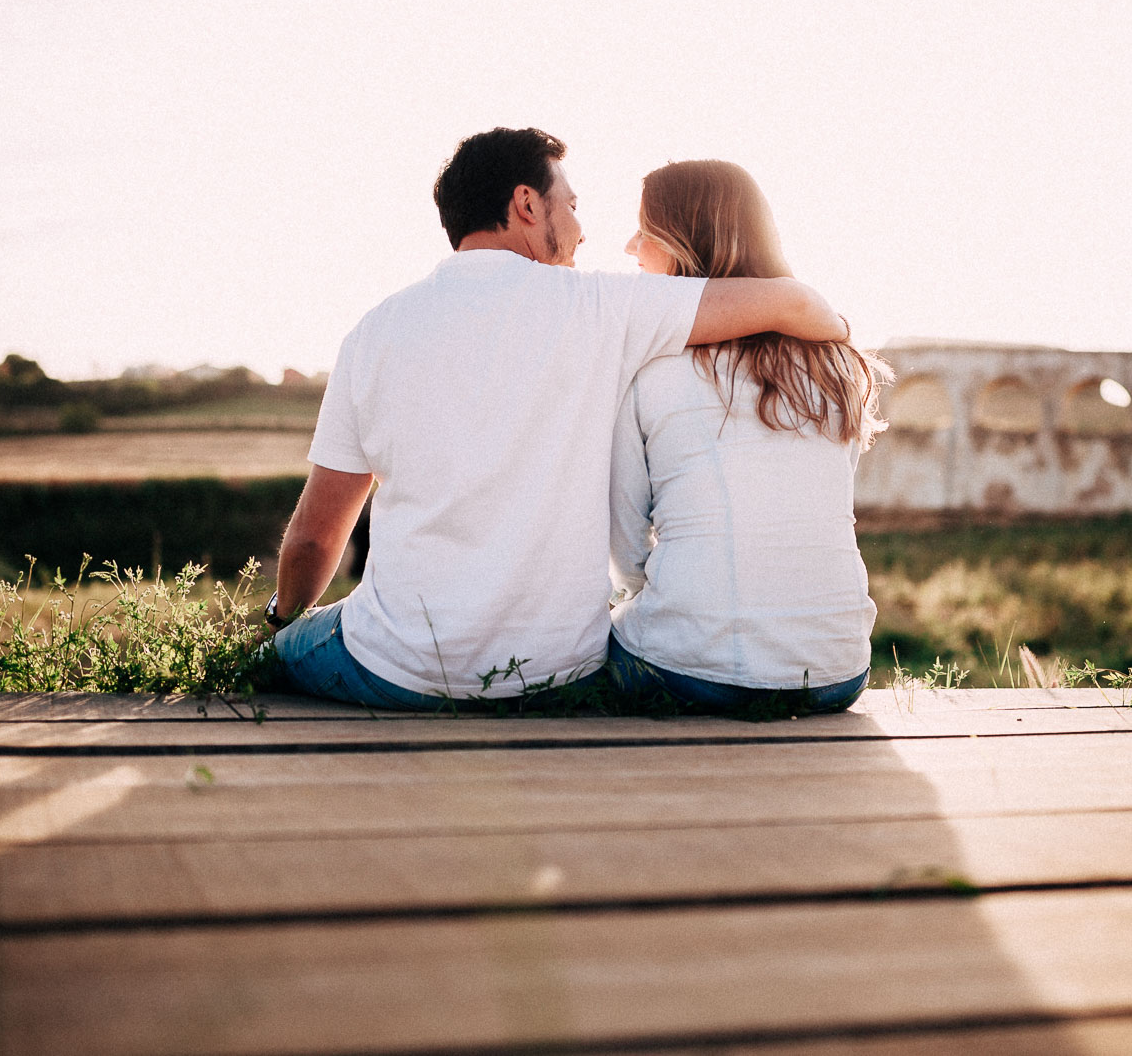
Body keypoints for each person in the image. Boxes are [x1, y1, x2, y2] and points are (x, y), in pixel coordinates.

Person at [265, 128, 848, 711]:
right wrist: (843, 347)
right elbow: (794, 302)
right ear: (526, 204)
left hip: (398, 668)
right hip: (555, 671)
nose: (581, 228)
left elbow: (315, 538)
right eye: (570, 205)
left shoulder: (372, 333)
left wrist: (281, 616)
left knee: (285, 647)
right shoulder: (602, 308)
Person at [606, 160, 891, 716]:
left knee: (579, 651)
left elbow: (624, 540)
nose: (629, 246)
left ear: (684, 240)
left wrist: (666, 600)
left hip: (689, 671)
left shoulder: (649, 365)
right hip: (837, 672)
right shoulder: (841, 366)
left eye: (644, 228)